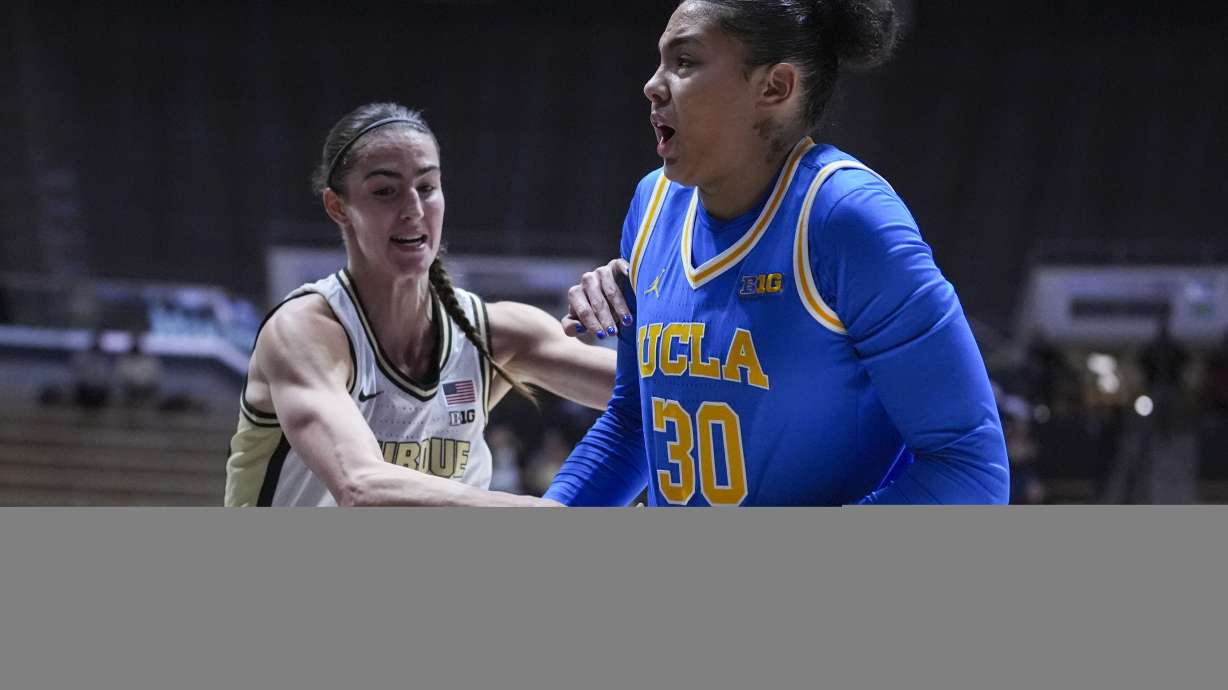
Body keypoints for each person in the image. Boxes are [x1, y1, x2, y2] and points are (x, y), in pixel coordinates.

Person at [547, 0, 1010, 505]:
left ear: (774, 87)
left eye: (684, 62)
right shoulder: (652, 203)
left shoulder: (845, 217)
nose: (652, 85)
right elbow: (636, 423)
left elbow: (972, 475)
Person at [225, 103, 615, 506]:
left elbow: (658, 390)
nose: (413, 209)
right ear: (338, 207)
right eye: (384, 191)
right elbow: (361, 486)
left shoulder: (500, 333)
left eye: (427, 187)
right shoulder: (304, 331)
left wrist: (654, 297)